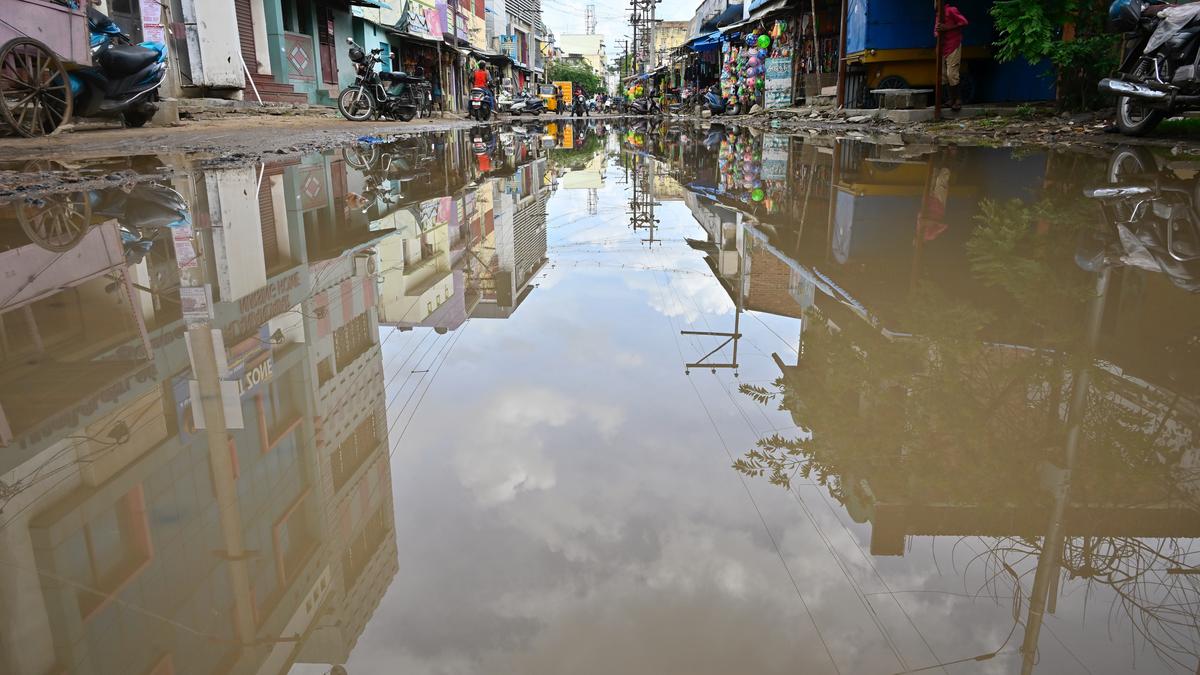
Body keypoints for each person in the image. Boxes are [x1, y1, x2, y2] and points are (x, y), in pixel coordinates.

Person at [935, 1, 969, 112]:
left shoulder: (951, 10)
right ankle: (951, 99)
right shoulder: (938, 15)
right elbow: (936, 31)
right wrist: (939, 31)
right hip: (943, 47)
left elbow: (964, 22)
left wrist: (948, 28)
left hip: (953, 44)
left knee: (952, 74)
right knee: (944, 75)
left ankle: (958, 100)